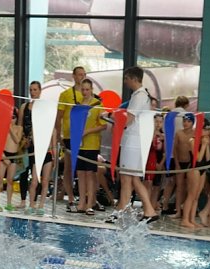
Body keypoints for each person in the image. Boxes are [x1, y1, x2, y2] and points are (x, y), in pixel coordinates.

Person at [106, 66, 160, 224]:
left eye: (127, 78)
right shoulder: (143, 95)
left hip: (133, 142)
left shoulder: (139, 96)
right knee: (132, 179)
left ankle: (127, 210)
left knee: (127, 178)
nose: (125, 82)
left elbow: (128, 119)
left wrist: (113, 122)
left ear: (134, 79)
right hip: (137, 142)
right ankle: (133, 210)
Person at [19, 80, 55, 215]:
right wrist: (22, 140)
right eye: (31, 90)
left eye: (35, 90)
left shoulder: (44, 108)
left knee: (43, 180)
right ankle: (26, 202)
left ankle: (39, 205)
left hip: (42, 147)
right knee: (27, 175)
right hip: (28, 145)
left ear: (40, 91)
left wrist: (54, 150)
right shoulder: (24, 107)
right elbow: (20, 126)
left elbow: (51, 130)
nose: (33, 92)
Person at [72, 78, 107, 215]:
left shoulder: (97, 105)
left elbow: (104, 125)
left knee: (90, 174)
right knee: (80, 174)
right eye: (83, 89)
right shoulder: (79, 105)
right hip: (80, 145)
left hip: (92, 144)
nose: (85, 92)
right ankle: (81, 202)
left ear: (92, 90)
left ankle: (90, 203)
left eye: (87, 89)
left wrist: (87, 131)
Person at [55, 66, 87, 209]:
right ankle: (71, 198)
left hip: (85, 135)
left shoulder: (89, 96)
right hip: (69, 135)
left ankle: (83, 197)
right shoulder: (66, 94)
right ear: (73, 76)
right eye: (79, 74)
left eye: (84, 74)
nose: (82, 77)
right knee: (69, 168)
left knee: (83, 168)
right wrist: (59, 136)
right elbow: (59, 117)